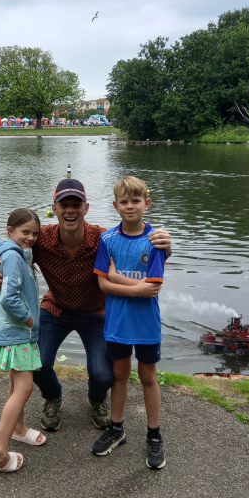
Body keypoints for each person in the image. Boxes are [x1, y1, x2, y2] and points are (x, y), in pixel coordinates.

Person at [0, 179, 171, 432]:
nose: (70, 210)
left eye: (76, 204)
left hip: (96, 311)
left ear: (86, 208)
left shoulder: (102, 239)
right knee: (37, 364)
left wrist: (166, 248)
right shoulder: (41, 240)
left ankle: (97, 399)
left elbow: (133, 249)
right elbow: (11, 247)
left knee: (105, 374)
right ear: (55, 208)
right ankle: (53, 397)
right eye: (64, 205)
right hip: (56, 308)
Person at [90, 176, 166, 469]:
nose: (130, 206)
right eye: (124, 201)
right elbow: (102, 285)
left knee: (148, 377)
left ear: (146, 203)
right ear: (115, 206)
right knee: (119, 376)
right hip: (117, 324)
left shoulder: (156, 240)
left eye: (136, 201)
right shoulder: (107, 239)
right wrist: (134, 288)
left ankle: (154, 434)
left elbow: (154, 286)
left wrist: (117, 278)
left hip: (147, 324)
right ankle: (117, 428)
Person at [0, 208, 45, 473]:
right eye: (24, 232)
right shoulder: (13, 257)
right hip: (19, 333)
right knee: (25, 387)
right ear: (10, 231)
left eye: (34, 234)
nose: (30, 237)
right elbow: (9, 298)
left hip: (15, 333)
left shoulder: (13, 254)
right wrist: (30, 320)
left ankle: (18, 428)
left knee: (16, 381)